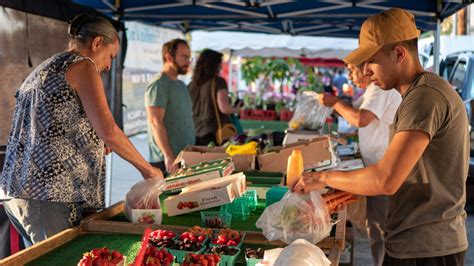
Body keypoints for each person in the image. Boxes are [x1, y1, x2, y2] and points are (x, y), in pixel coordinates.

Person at [293, 8, 468, 266]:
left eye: (371, 61)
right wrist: (341, 187)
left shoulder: (424, 97)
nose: (365, 72)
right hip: (415, 239)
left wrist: (321, 178)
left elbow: (386, 180)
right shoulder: (417, 94)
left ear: (399, 54)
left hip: (427, 247)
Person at [0, 13, 163, 246]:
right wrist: (148, 170)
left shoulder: (49, 65)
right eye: (110, 56)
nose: (108, 65)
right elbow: (109, 129)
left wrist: (93, 141)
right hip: (48, 194)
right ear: (97, 43)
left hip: (21, 192)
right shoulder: (83, 65)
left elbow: (53, 123)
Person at [319, 62, 402, 266]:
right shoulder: (372, 91)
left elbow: (361, 119)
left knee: (382, 230)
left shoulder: (381, 89)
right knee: (377, 228)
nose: (351, 76)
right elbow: (359, 115)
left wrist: (334, 102)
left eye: (352, 70)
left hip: (383, 173)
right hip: (376, 171)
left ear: (366, 67)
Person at [145, 39, 195, 174]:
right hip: (167, 161)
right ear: (168, 57)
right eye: (184, 57)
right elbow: (155, 122)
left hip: (184, 157)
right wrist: (168, 155)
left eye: (189, 57)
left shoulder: (181, 85)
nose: (188, 61)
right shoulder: (159, 85)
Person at [188, 49, 241, 146]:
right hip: (213, 133)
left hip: (194, 132)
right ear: (214, 65)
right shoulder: (218, 82)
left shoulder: (191, 85)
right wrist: (237, 109)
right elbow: (224, 108)